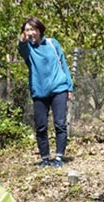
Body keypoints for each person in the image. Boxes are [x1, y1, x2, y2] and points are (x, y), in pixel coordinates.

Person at [18, 16, 74, 168]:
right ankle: (45, 158)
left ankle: (59, 157)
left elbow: (63, 64)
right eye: (27, 30)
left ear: (39, 30)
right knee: (41, 126)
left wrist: (69, 87)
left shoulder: (52, 43)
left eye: (33, 29)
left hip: (59, 89)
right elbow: (22, 48)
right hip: (39, 92)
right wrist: (23, 39)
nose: (30, 33)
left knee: (60, 124)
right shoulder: (27, 48)